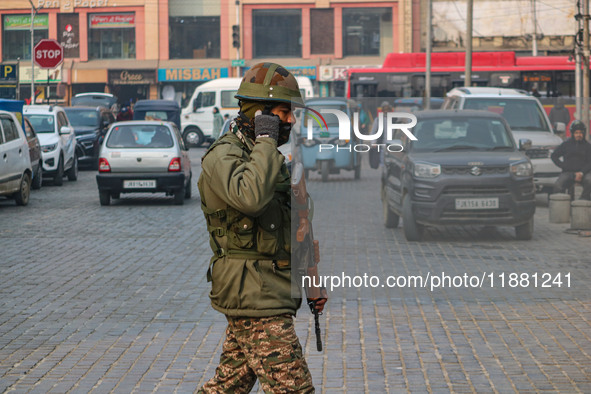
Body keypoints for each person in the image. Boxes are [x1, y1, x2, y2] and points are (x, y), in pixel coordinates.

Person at [197, 62, 326, 393]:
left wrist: (313, 281)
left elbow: (298, 222)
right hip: (252, 293)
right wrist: (267, 140)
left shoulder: (268, 158)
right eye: (284, 112)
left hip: (270, 288)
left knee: (229, 385)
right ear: (261, 114)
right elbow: (250, 198)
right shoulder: (223, 157)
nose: (291, 120)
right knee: (294, 388)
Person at [551, 120, 591, 200]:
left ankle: (582, 202)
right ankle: (563, 203)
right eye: (576, 133)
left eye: (580, 133)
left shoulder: (587, 146)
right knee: (558, 185)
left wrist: (582, 173)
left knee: (589, 180)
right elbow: (554, 156)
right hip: (568, 172)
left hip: (583, 173)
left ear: (583, 133)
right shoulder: (566, 144)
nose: (578, 135)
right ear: (573, 133)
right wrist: (564, 166)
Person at [369, 100, 392, 169]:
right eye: (384, 109)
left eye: (387, 109)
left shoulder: (394, 119)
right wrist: (373, 142)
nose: (386, 111)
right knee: (383, 163)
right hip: (382, 145)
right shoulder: (378, 120)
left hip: (393, 146)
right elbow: (372, 132)